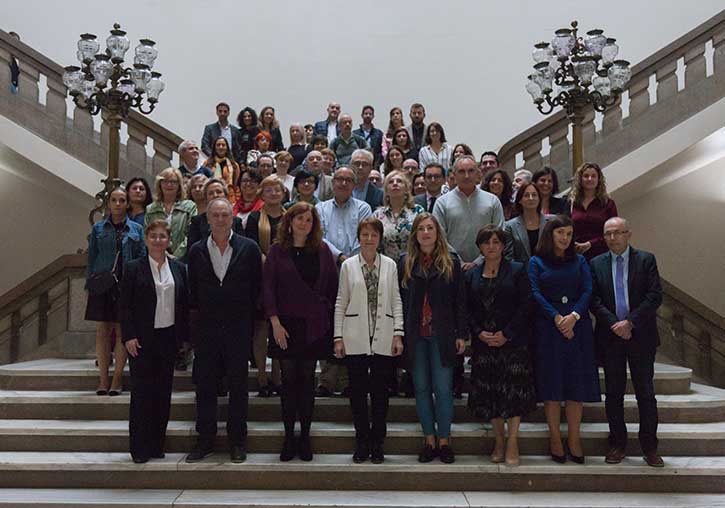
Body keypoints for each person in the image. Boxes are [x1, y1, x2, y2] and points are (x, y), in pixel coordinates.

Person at [186, 198, 262, 463]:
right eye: (215, 215)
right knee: (205, 386)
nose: (220, 219)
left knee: (239, 386)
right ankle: (204, 440)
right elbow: (192, 290)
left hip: (238, 328)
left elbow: (256, 287)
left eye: (225, 215)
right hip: (206, 330)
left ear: (233, 218)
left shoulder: (249, 248)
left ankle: (237, 441)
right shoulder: (196, 250)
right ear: (207, 219)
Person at [263, 202, 339, 462]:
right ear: (290, 221)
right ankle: (288, 437)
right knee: (288, 382)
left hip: (313, 325)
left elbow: (332, 287)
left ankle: (304, 437)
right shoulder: (277, 251)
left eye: (308, 220)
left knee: (306, 383)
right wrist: (274, 323)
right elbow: (269, 288)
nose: (304, 224)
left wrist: (325, 316)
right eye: (299, 219)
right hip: (284, 326)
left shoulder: (322, 250)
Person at [590, 217, 664, 468]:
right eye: (607, 234)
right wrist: (615, 324)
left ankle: (650, 447)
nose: (612, 238)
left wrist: (629, 323)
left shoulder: (646, 260)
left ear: (628, 234)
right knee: (613, 394)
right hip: (610, 337)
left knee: (646, 393)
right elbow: (594, 300)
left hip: (641, 336)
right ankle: (617, 444)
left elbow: (655, 295)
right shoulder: (596, 263)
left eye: (617, 233)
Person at [528, 215, 600, 464]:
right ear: (550, 235)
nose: (565, 238)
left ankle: (575, 437)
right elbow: (535, 292)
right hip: (549, 328)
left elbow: (588, 290)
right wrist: (557, 318)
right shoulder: (536, 261)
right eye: (560, 233)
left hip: (577, 328)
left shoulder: (579, 260)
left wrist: (574, 316)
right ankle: (555, 437)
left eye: (569, 234)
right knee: (552, 385)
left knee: (574, 386)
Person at [334, 217, 404, 464]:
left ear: (380, 238)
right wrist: (338, 337)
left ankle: (378, 442)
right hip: (355, 337)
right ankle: (362, 440)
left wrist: (398, 333)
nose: (369, 239)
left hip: (384, 336)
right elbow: (341, 301)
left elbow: (396, 300)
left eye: (374, 234)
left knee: (380, 394)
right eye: (365, 234)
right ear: (359, 237)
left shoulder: (390, 265)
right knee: (358, 393)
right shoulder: (348, 266)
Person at [465, 225, 536, 467]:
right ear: (480, 247)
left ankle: (513, 441)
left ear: (503, 245)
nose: (491, 246)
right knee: (491, 393)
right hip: (484, 344)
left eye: (496, 241)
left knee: (513, 393)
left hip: (512, 343)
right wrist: (478, 333)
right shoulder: (471, 274)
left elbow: (527, 305)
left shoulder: (517, 270)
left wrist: (507, 333)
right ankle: (498, 440)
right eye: (486, 242)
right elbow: (466, 309)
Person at [399, 213, 466, 464]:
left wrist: (462, 334)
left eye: (430, 228)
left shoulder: (451, 261)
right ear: (415, 234)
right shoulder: (405, 262)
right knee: (422, 389)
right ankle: (429, 439)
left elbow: (460, 302)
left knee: (443, 389)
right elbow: (402, 302)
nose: (426, 232)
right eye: (421, 229)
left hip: (443, 335)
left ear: (438, 233)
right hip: (416, 336)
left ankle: (445, 440)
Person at [120, 219, 189, 464]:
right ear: (146, 239)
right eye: (154, 236)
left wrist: (183, 338)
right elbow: (125, 306)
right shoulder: (132, 268)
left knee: (162, 394)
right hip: (141, 339)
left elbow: (184, 305)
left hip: (168, 337)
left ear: (169, 240)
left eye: (163, 236)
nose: (158, 240)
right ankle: (139, 447)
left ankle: (157, 444)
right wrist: (128, 335)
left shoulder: (179, 268)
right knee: (141, 394)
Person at [315, 167, 373, 397]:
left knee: (353, 325)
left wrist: (351, 261)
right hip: (328, 272)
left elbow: (366, 236)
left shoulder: (363, 208)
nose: (343, 183)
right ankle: (327, 379)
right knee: (327, 325)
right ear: (332, 183)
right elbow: (319, 237)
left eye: (348, 180)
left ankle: (349, 379)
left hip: (357, 271)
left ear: (354, 184)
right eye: (339, 179)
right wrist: (340, 256)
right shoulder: (320, 208)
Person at [85, 187, 146, 396]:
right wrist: (89, 284)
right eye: (114, 200)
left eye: (122, 200)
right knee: (103, 331)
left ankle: (117, 379)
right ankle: (103, 379)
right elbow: (91, 257)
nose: (118, 204)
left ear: (127, 203)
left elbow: (142, 258)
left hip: (126, 285)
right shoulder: (99, 229)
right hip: (102, 284)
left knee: (122, 331)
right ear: (108, 203)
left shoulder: (137, 229)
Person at [245, 175, 287, 397]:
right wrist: (268, 261)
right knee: (261, 329)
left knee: (280, 329)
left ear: (283, 192)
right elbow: (251, 247)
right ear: (262, 193)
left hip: (286, 281)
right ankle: (262, 377)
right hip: (261, 279)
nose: (273, 193)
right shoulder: (253, 219)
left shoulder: (291, 217)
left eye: (277, 189)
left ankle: (278, 378)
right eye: (268, 190)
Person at [433, 156, 505, 268]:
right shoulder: (442, 203)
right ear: (454, 175)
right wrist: (458, 262)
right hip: (452, 267)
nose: (466, 176)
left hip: (488, 266)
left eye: (471, 171)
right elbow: (439, 237)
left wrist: (478, 262)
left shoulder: (492, 201)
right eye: (461, 171)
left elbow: (500, 233)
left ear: (478, 174)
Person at [144, 168, 197, 260]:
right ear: (159, 184)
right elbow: (146, 234)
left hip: (183, 260)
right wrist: (162, 253)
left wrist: (176, 255)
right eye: (165, 181)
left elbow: (191, 234)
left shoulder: (190, 207)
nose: (169, 185)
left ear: (179, 185)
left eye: (173, 182)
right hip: (156, 258)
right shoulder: (151, 209)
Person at [373, 170, 424, 263]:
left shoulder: (418, 211)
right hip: (386, 266)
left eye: (399, 181)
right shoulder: (378, 214)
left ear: (406, 189)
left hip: (413, 265)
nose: (395, 184)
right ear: (386, 191)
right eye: (391, 182)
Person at [570, 162, 618, 261]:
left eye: (593, 176)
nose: (589, 179)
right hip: (575, 256)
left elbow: (613, 232)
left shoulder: (608, 204)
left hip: (601, 255)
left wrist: (590, 244)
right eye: (586, 176)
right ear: (580, 179)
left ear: (598, 179)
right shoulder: (571, 203)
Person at [188, 178, 244, 257]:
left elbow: (242, 248)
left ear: (225, 195)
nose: (215, 195)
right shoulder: (197, 222)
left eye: (219, 192)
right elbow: (192, 252)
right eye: (211, 193)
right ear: (206, 198)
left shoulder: (236, 221)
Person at [504, 183, 552, 264]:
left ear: (539, 199)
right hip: (522, 273)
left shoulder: (552, 221)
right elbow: (509, 257)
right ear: (520, 200)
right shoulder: (510, 226)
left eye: (534, 195)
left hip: (549, 271)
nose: (531, 198)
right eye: (526, 195)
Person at [203, 136, 241, 203]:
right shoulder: (207, 164)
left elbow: (235, 183)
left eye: (223, 145)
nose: (221, 147)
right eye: (218, 145)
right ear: (214, 148)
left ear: (227, 148)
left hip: (230, 197)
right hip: (213, 196)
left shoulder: (234, 165)